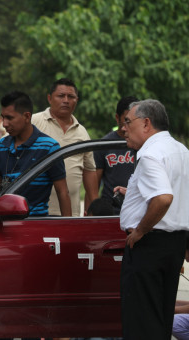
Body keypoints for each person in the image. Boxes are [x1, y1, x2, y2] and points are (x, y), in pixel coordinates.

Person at [114, 99, 189, 339]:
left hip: (149, 247)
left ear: (146, 123)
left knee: (141, 323)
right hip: (174, 244)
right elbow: (175, 194)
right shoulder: (180, 150)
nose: (123, 128)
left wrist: (140, 231)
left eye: (128, 122)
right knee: (160, 319)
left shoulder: (149, 154)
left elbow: (164, 198)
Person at [0, 91, 71, 216]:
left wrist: (67, 227)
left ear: (27, 116)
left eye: (10, 118)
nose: (4, 124)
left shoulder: (48, 148)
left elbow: (62, 192)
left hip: (36, 224)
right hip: (3, 225)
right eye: (3, 117)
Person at [32, 78, 98, 216]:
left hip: (69, 214)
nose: (66, 100)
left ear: (77, 100)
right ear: (50, 98)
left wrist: (94, 208)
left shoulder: (82, 132)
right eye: (61, 96)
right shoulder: (33, 123)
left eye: (71, 96)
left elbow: (89, 171)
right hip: (36, 212)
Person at [93, 96, 139, 214]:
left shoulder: (144, 144)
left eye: (134, 120)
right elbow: (93, 187)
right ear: (117, 118)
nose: (129, 125)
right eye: (126, 120)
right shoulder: (104, 145)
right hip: (111, 211)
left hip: (138, 210)